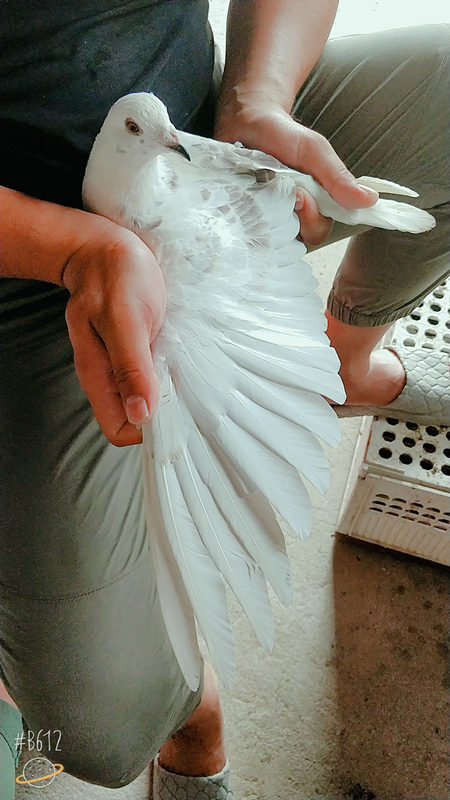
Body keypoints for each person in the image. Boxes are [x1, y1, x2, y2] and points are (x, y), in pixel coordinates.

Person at [0, 0, 448, 797]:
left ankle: (345, 358)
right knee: (100, 735)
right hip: (23, 260)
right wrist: (71, 250)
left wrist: (259, 96)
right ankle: (190, 711)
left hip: (203, 117)